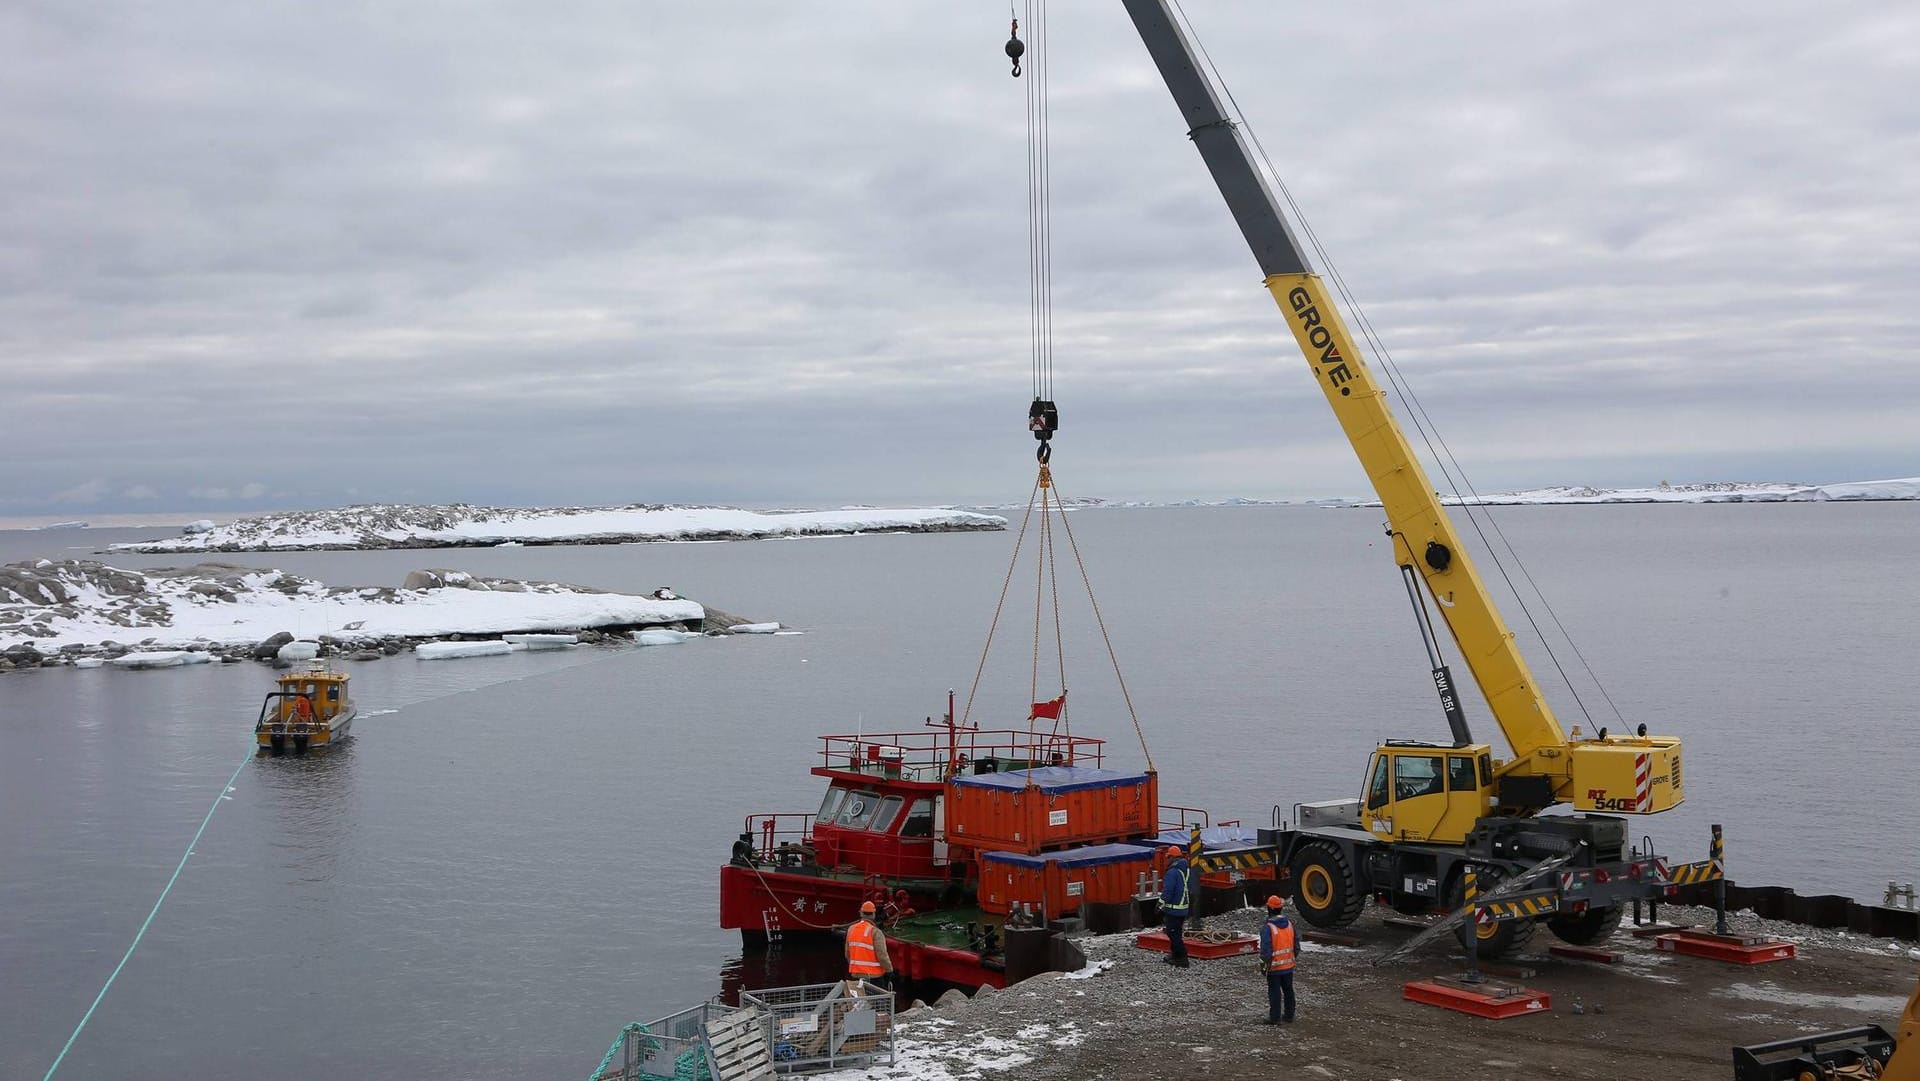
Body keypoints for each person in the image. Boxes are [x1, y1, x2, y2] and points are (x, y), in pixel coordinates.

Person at [1257, 894, 1297, 1024]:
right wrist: (1291, 958)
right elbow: (1296, 945)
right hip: (1288, 966)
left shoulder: (1268, 928)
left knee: (1275, 993)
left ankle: (1275, 1018)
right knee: (1288, 990)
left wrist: (1264, 967)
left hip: (1274, 968)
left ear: (1269, 909)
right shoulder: (1290, 925)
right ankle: (1289, 1015)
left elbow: (1266, 951)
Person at [845, 900, 894, 991]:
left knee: (858, 1003)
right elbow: (882, 955)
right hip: (874, 977)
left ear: (861, 913)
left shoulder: (851, 929)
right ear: (874, 914)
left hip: (855, 976)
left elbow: (847, 953)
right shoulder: (875, 932)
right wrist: (889, 970)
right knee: (878, 1002)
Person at [1160, 845, 1192, 967]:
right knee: (1176, 932)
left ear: (1171, 857)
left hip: (1174, 908)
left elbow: (1168, 891)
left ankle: (1181, 958)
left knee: (1173, 934)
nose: (1167, 860)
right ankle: (1175, 955)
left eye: (1168, 857)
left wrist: (1160, 904)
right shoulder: (1185, 869)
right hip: (1183, 907)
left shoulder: (1172, 872)